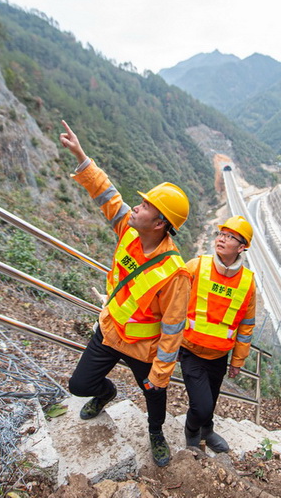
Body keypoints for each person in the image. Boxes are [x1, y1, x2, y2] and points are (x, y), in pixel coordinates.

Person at [59, 120, 190, 468]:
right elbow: (106, 194)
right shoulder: (129, 230)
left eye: (145, 206)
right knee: (78, 385)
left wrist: (160, 372)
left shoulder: (174, 273)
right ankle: (105, 392)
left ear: (160, 223)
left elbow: (174, 327)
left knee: (154, 396)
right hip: (110, 330)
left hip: (143, 347)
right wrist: (82, 156)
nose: (136, 207)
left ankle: (156, 433)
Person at [179, 215, 256, 453]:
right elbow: (173, 301)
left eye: (229, 236)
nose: (222, 239)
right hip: (191, 349)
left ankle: (207, 430)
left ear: (242, 247)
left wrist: (238, 360)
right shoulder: (196, 267)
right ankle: (192, 434)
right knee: (200, 406)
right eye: (221, 234)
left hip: (219, 355)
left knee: (210, 401)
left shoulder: (247, 283)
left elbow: (246, 325)